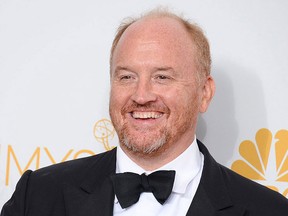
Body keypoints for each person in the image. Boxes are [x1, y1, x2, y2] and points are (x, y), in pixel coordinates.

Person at [1, 8, 288, 216]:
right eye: (126, 77)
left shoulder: (268, 210)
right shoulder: (37, 196)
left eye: (162, 77)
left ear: (205, 93)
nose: (141, 95)